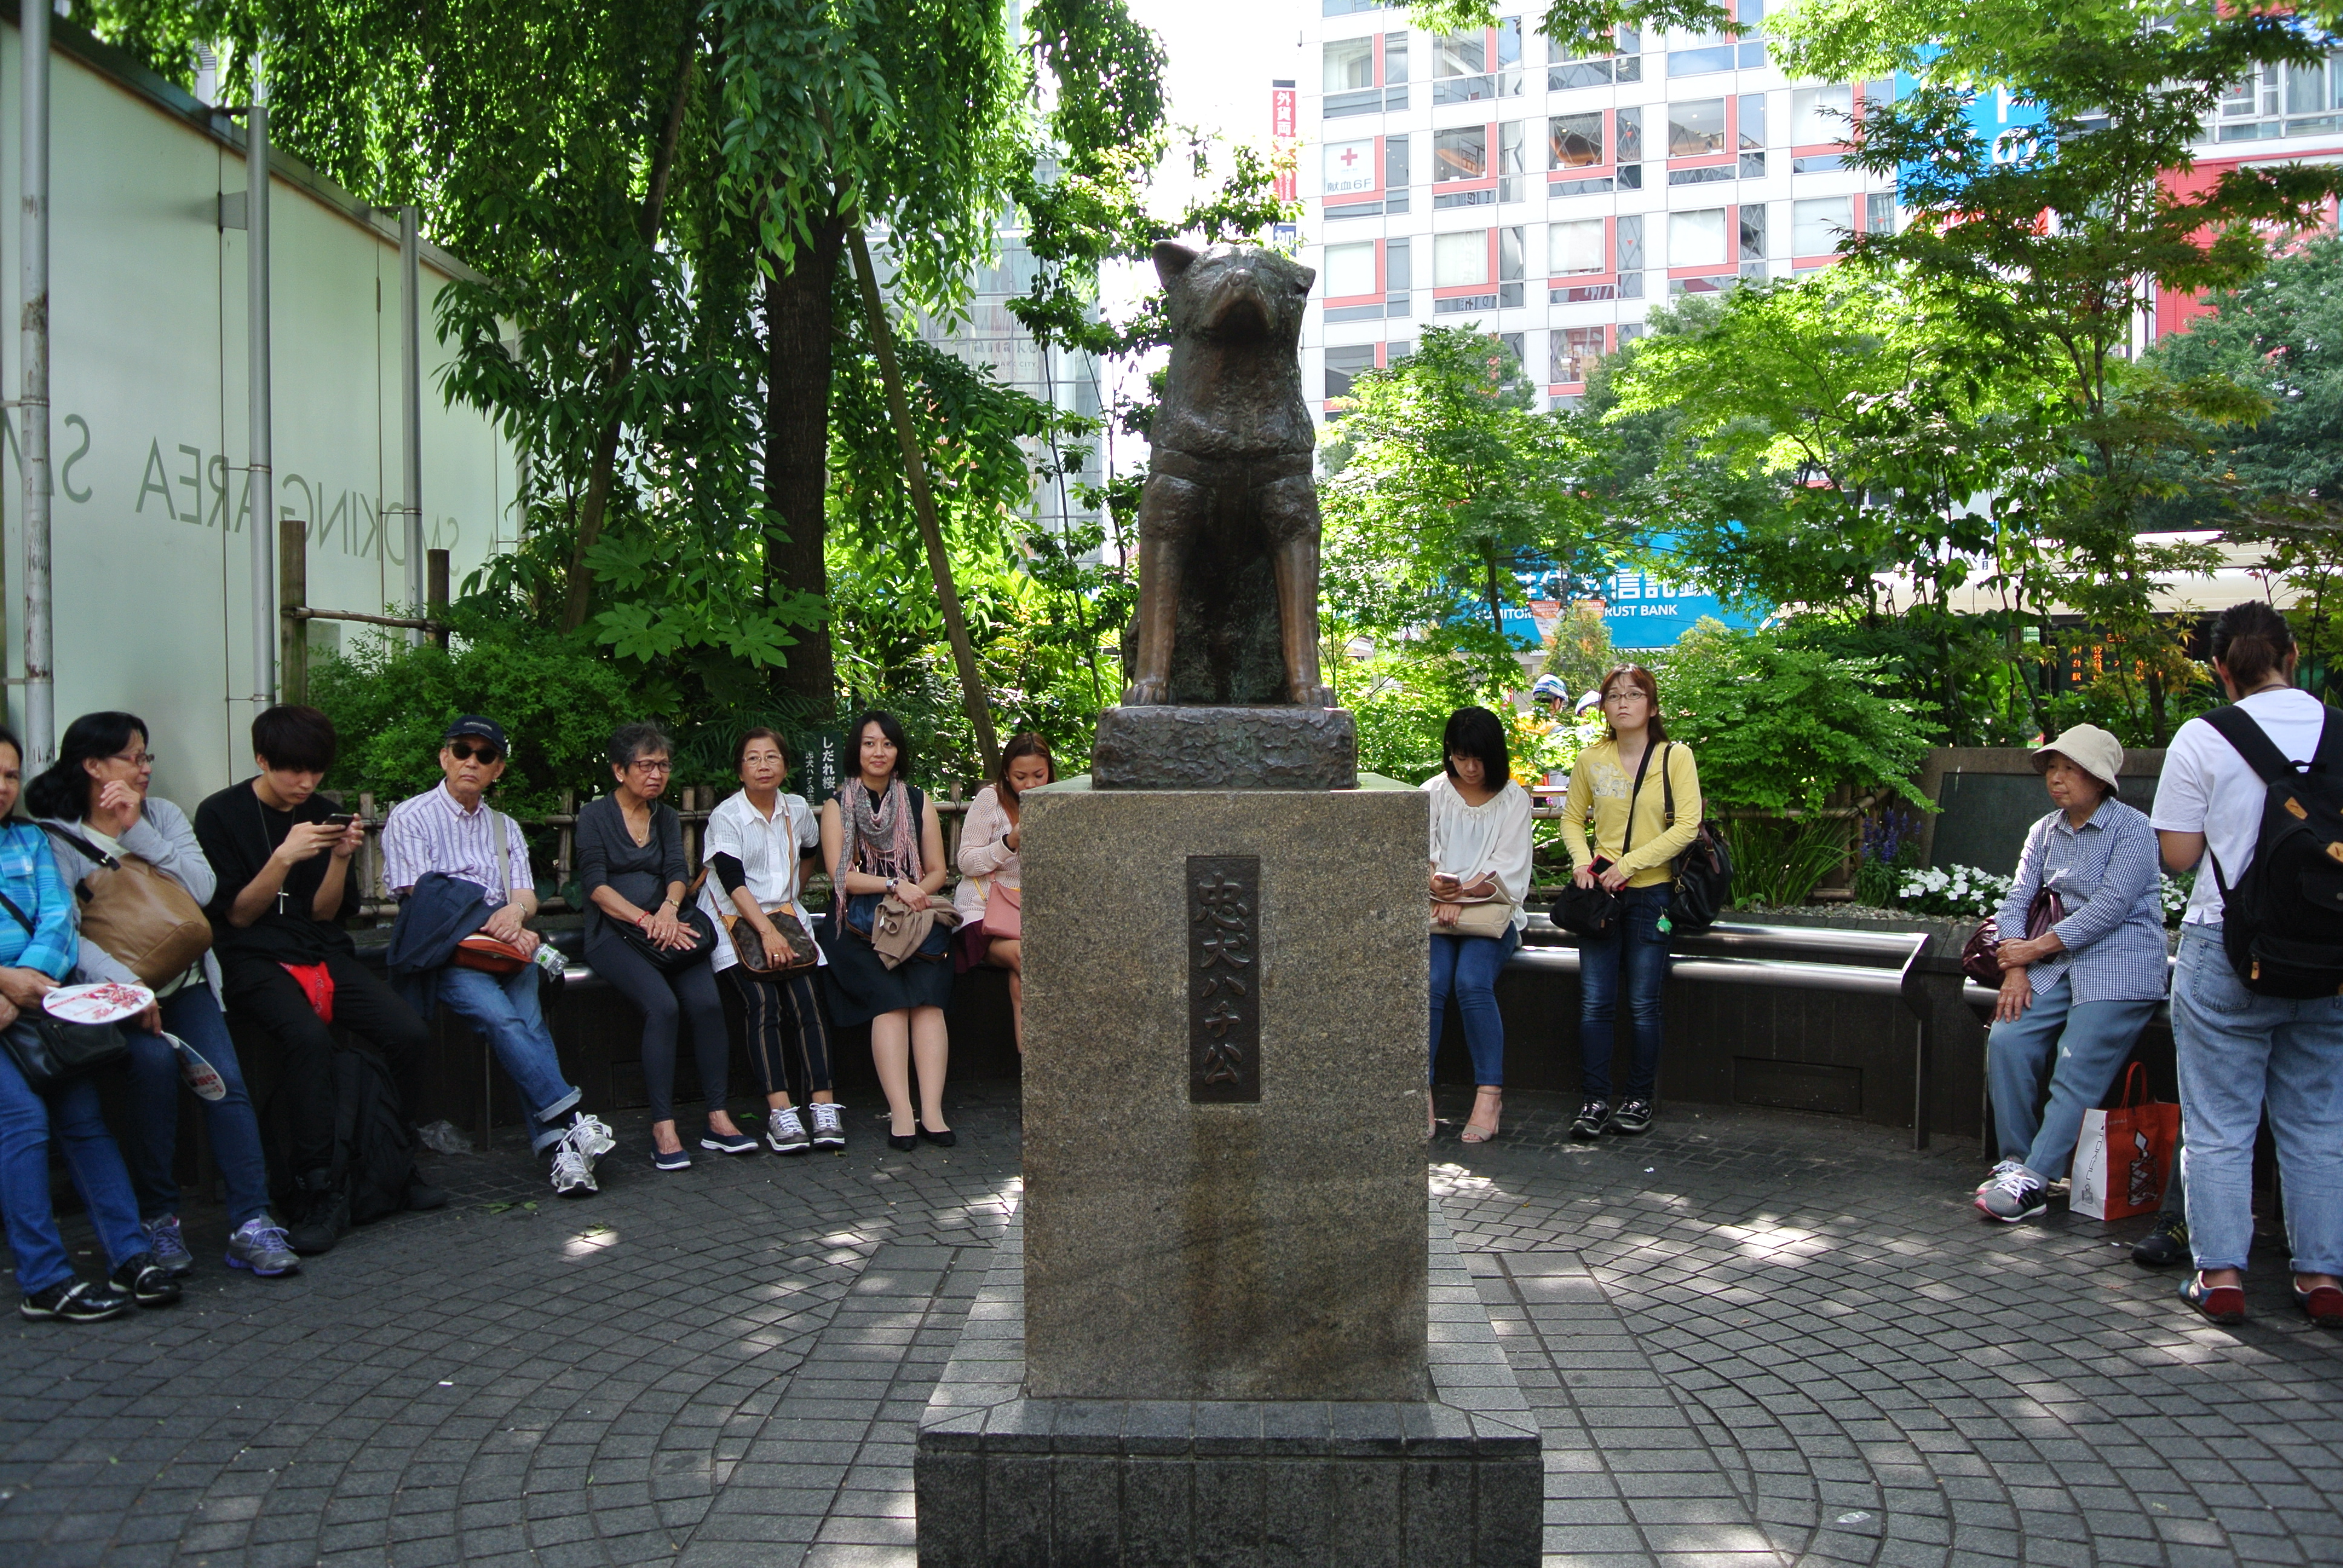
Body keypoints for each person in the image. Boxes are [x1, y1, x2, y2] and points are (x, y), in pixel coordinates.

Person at [27, 713, 298, 1279]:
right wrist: (128, 989)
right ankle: (158, 1220)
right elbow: (65, 933)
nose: (145, 768)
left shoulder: (164, 815)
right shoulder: (55, 835)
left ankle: (252, 1220)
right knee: (150, 1075)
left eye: (147, 758)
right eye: (133, 757)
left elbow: (202, 893)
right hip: (112, 994)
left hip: (187, 982)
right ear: (93, 765)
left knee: (226, 1084)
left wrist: (136, 830)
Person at [2150, 601, 2343, 1328]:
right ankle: (2321, 1276)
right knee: (2319, 1120)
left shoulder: (2201, 737)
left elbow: (2178, 858)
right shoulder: (2340, 732)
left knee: (2219, 1122)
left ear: (2220, 668)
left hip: (2226, 949)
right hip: (2327, 953)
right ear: (2291, 654)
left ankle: (2221, 1275)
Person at [194, 705, 443, 1254]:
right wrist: (283, 857)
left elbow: (327, 916)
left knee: (408, 1032)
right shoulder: (221, 814)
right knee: (307, 1042)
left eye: (317, 772)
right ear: (263, 760)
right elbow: (237, 915)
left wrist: (338, 861)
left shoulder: (324, 812)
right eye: (293, 771)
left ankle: (391, 1163)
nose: (306, 784)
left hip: (319, 951)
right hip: (253, 957)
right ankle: (317, 1187)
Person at [381, 716, 617, 1197]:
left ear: (498, 769)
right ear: (444, 757)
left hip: (508, 951)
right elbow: (421, 897)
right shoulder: (411, 817)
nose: (471, 761)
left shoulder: (502, 826)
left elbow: (526, 895)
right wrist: (502, 920)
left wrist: (515, 913)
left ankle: (562, 1156)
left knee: (530, 1029)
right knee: (503, 1023)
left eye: (484, 755)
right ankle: (572, 1121)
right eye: (461, 750)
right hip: (449, 955)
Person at [0, 725, 180, 1321]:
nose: (3, 787)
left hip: (40, 1001)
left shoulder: (29, 840)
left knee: (83, 1118)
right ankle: (44, 1279)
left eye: (9, 775)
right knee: (23, 1122)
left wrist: (26, 983)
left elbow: (59, 921)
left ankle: (131, 1256)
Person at [1973, 725, 2166, 1223]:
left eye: (2070, 770)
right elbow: (2018, 900)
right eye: (2052, 769)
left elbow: (2111, 907)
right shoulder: (2044, 830)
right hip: (2052, 964)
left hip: (2120, 965)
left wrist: (2032, 949)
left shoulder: (2133, 828)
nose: (2056, 780)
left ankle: (2036, 1180)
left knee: (2075, 1060)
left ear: (2100, 780)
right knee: (2008, 1039)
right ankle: (2014, 1162)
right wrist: (2015, 968)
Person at [577, 722, 744, 1172]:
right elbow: (595, 885)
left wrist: (670, 911)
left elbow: (676, 867)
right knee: (663, 1007)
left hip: (669, 928)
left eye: (663, 766)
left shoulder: (665, 816)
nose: (656, 774)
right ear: (619, 770)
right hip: (615, 934)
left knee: (707, 1004)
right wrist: (646, 920)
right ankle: (663, 1125)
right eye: (645, 765)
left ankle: (717, 1116)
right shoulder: (594, 816)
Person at [1561, 664, 1702, 1141]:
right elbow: (1570, 821)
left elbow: (1687, 826)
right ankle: (1594, 1100)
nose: (1623, 702)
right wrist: (1584, 863)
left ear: (1652, 706)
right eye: (1614, 696)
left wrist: (1631, 864)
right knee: (1594, 1003)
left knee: (1644, 1003)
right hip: (1601, 896)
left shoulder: (1674, 757)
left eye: (1634, 694)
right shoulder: (1590, 759)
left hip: (1652, 895)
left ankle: (1639, 1098)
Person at [694, 728, 845, 1155]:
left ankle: (824, 1106)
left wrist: (790, 902)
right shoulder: (727, 816)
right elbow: (731, 879)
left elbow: (812, 851)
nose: (763, 766)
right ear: (740, 770)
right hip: (734, 921)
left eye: (772, 757)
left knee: (809, 1001)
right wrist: (767, 929)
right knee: (764, 1004)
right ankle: (781, 1112)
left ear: (784, 765)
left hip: (785, 916)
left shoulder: (796, 809)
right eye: (753, 759)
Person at [821, 711, 954, 1152]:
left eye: (887, 744)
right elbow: (841, 877)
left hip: (914, 920)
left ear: (899, 752)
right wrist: (893, 885)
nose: (878, 752)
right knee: (892, 1003)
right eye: (869, 744)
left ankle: (932, 1112)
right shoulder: (838, 805)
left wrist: (913, 893)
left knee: (928, 1003)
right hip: (859, 922)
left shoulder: (918, 801)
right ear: (855, 751)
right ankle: (901, 1111)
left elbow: (937, 871)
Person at [1424, 707, 1533, 1143]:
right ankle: (1421, 1093)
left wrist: (1462, 896)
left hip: (1491, 919)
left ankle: (1489, 1094)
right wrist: (1440, 888)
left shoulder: (1513, 798)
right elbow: (1417, 852)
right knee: (1431, 981)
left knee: (1472, 981)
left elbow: (1510, 869)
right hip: (1435, 915)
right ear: (1450, 753)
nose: (1470, 768)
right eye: (1461, 757)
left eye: (1479, 758)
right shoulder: (1432, 792)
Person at [953, 734, 1054, 1052]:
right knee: (1028, 957)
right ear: (1006, 775)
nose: (1030, 786)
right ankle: (1045, 1059)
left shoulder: (1058, 802)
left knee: (1021, 974)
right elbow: (966, 862)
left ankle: (1032, 1069)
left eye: (1039, 776)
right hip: (983, 914)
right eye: (1020, 777)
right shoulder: (990, 800)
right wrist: (1009, 843)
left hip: (1029, 917)